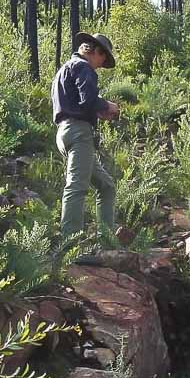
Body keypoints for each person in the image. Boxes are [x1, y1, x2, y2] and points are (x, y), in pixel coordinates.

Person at [51, 32, 120, 236]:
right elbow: (88, 99)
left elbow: (77, 102)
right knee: (76, 187)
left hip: (64, 133)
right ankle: (70, 244)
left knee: (106, 186)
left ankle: (107, 240)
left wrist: (99, 112)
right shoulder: (83, 67)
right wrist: (108, 105)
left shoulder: (64, 70)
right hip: (79, 133)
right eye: (103, 58)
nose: (102, 63)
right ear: (95, 51)